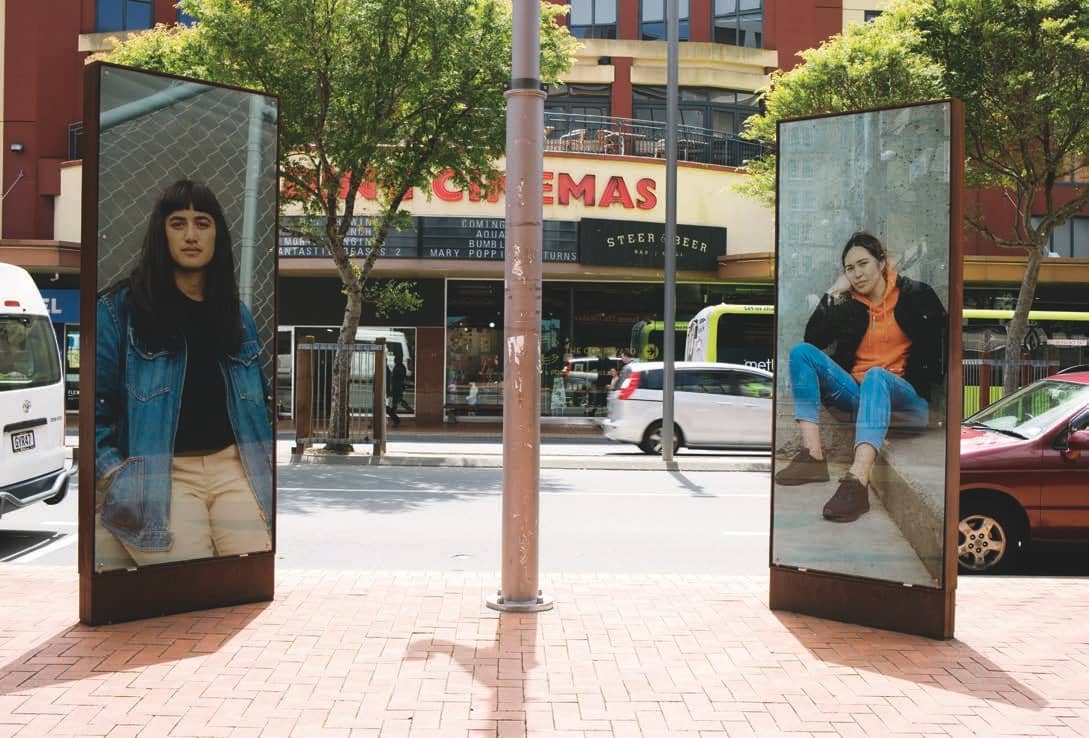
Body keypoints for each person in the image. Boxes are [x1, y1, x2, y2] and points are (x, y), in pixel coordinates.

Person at [95, 179, 273, 568]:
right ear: (162, 234)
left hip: (235, 470)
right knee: (192, 586)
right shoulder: (120, 311)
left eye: (202, 223)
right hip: (161, 477)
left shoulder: (236, 316)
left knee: (250, 578)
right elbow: (95, 408)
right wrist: (117, 474)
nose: (191, 235)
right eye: (178, 223)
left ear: (217, 235)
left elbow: (260, 402)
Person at [775, 231, 946, 523]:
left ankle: (857, 479)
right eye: (849, 268)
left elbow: (941, 348)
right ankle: (812, 456)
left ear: (882, 262)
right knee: (802, 353)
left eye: (863, 263)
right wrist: (834, 291)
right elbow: (813, 338)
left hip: (908, 405)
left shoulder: (916, 295)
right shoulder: (849, 305)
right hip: (860, 399)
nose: (857, 273)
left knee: (876, 376)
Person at [387, 355, 406, 428]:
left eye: (395, 360)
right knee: (396, 403)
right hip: (397, 389)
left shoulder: (399, 367)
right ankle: (395, 420)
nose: (394, 361)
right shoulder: (400, 367)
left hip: (397, 389)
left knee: (395, 404)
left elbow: (397, 380)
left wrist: (392, 390)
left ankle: (396, 420)